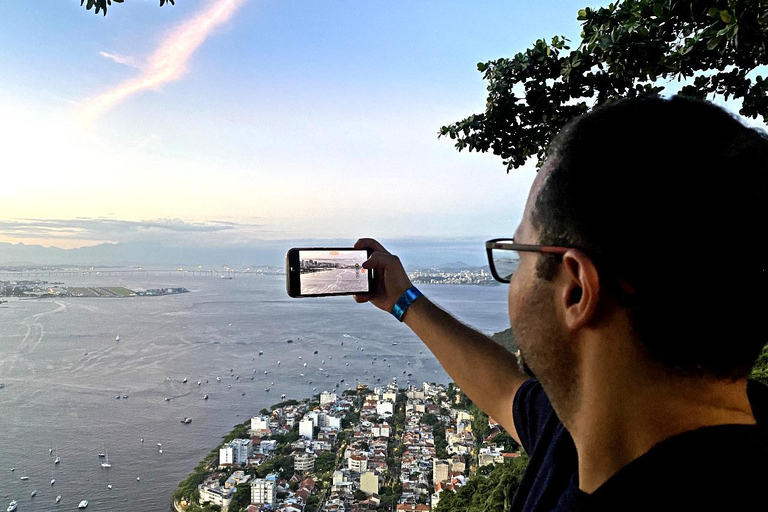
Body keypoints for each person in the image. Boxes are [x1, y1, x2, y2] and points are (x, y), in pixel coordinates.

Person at [354, 95, 768, 511]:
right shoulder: (594, 426)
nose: (514, 277)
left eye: (519, 257)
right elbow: (505, 393)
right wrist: (403, 299)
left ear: (575, 289)